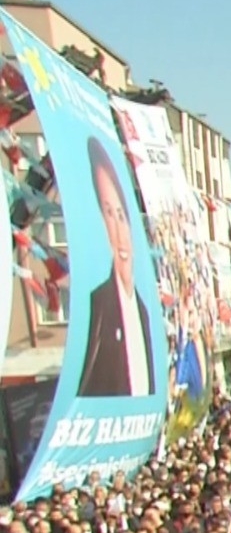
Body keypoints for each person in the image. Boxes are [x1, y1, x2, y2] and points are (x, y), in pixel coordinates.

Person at [77, 134, 156, 398]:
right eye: (109, 214)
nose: (118, 230)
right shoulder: (97, 307)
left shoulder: (146, 311)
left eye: (121, 215)